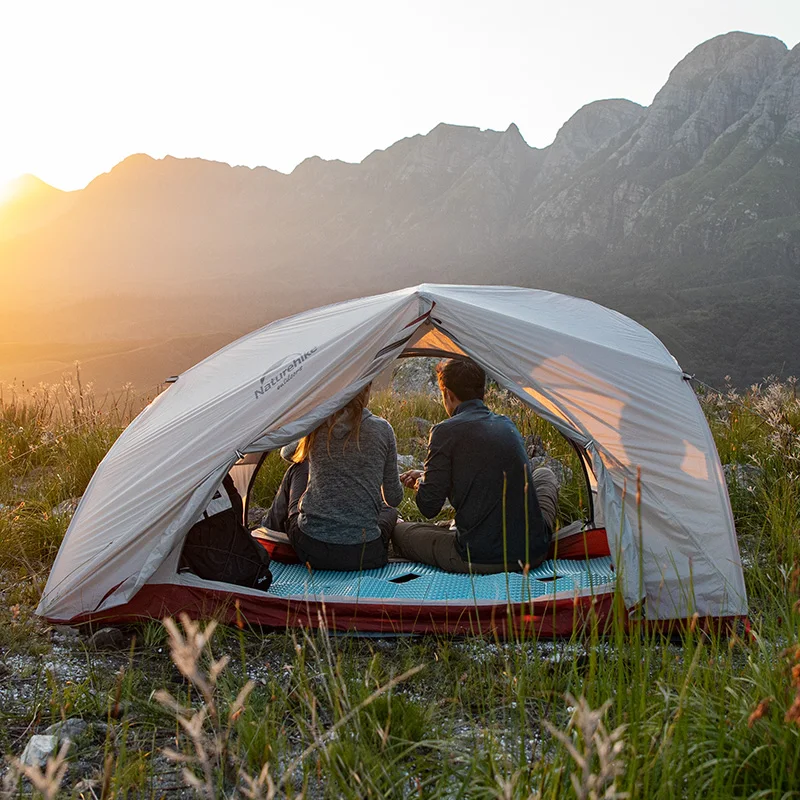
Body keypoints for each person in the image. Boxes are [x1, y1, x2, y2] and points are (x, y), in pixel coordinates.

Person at [392, 359, 558, 573]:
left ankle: (438, 532)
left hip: (479, 556)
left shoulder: (444, 431)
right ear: (483, 392)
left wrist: (422, 482)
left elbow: (429, 506)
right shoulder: (506, 423)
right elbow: (485, 473)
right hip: (533, 552)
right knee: (544, 474)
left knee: (399, 532)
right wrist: (427, 475)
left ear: (448, 395)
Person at [263, 383, 404, 570]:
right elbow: (394, 498)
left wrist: (313, 419)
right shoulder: (382, 429)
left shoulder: (318, 422)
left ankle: (268, 531)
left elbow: (287, 453)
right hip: (366, 554)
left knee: (298, 466)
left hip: (311, 548)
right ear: (367, 389)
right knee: (390, 511)